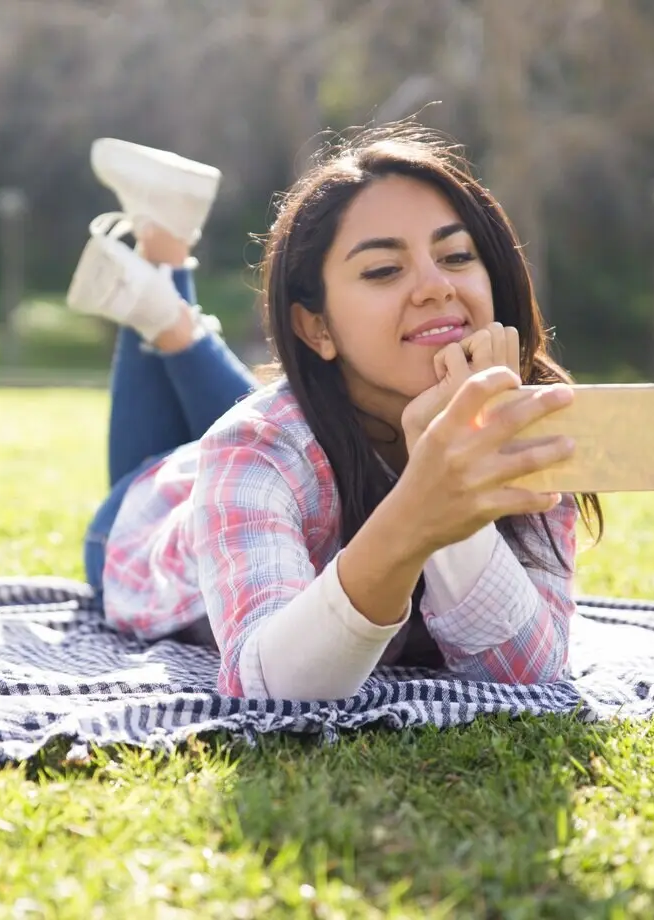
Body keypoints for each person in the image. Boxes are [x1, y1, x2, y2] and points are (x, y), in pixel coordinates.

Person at [68, 129, 603, 701]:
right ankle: (165, 291)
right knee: (265, 434)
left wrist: (457, 478)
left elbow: (528, 676)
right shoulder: (254, 446)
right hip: (142, 524)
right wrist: (421, 506)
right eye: (383, 269)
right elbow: (273, 689)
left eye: (455, 257)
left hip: (270, 448)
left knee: (281, 428)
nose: (436, 286)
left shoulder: (527, 428)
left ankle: (163, 274)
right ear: (315, 327)